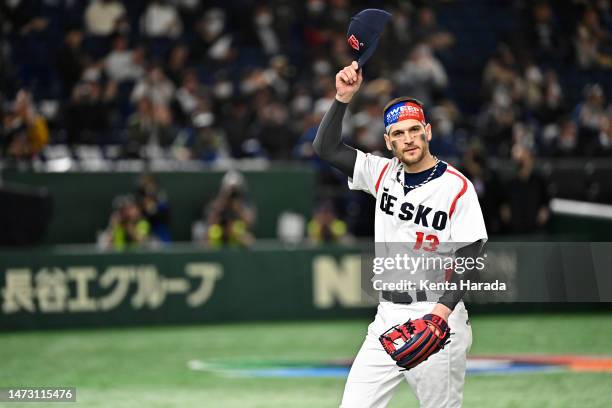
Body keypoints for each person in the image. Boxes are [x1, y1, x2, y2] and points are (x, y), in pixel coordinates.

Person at [313, 61, 487, 408]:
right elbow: (327, 148)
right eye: (398, 133)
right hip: (387, 317)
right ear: (388, 141)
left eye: (414, 130)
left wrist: (440, 314)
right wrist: (342, 98)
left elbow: (470, 255)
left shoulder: (456, 188)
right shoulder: (381, 173)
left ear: (428, 132)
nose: (408, 139)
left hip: (438, 317)